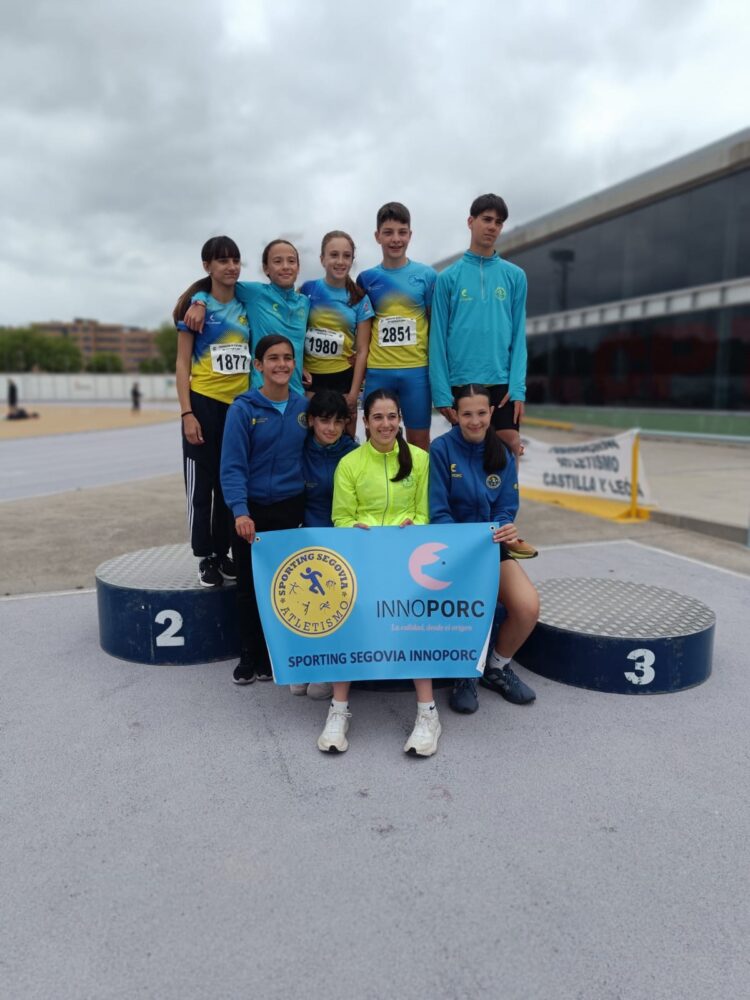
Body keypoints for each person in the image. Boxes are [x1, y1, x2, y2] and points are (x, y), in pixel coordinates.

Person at [318, 388, 440, 757]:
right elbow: (341, 518)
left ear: (400, 419)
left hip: (407, 561)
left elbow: (425, 513)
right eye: (377, 417)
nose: (386, 424)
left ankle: (428, 714)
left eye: (391, 416)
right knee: (347, 616)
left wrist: (414, 526)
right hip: (363, 560)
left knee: (415, 618)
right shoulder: (350, 464)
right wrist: (354, 530)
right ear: (365, 422)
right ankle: (338, 710)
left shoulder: (420, 459)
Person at [428, 193, 537, 559]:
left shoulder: (515, 276)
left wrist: (518, 387)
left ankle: (505, 529)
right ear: (470, 221)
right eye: (486, 219)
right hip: (461, 382)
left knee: (508, 445)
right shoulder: (448, 279)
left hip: (500, 380)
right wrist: (442, 393)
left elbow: (519, 335)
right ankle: (460, 526)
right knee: (462, 452)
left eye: (498, 222)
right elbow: (437, 338)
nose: (492, 227)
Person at [429, 384, 539, 714]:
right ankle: (465, 671)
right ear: (454, 415)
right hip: (453, 550)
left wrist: (506, 526)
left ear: (491, 412)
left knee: (527, 607)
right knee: (473, 604)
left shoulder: (501, 452)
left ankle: (496, 667)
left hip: (491, 547)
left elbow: (506, 506)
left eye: (481, 413)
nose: (475, 421)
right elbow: (438, 510)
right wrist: (462, 546)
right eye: (467, 414)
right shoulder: (441, 450)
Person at [220, 334, 309, 684]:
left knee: (285, 587)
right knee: (249, 586)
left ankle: (275, 655)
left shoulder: (303, 408)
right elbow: (232, 466)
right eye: (273, 358)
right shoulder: (242, 409)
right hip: (251, 513)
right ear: (258, 365)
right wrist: (240, 511)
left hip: (290, 510)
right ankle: (249, 653)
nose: (281, 364)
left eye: (287, 357)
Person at [173, 236, 250, 587]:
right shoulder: (195, 311)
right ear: (207, 266)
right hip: (204, 403)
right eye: (223, 261)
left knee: (228, 483)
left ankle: (222, 552)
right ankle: (204, 556)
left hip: (238, 408)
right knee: (201, 486)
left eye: (235, 260)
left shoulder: (246, 304)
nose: (231, 267)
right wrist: (187, 413)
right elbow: (182, 364)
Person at [289, 388, 358, 701]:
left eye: (338, 422)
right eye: (324, 421)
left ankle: (329, 668)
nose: (331, 428)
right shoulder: (298, 449)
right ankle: (305, 661)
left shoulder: (353, 452)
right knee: (305, 603)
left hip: (341, 539)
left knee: (335, 605)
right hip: (307, 535)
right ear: (311, 421)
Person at [356, 203, 437, 451]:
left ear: (410, 235)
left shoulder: (427, 276)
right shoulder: (366, 279)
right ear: (377, 236)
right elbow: (361, 328)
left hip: (417, 371)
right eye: (388, 232)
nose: (395, 239)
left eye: (402, 232)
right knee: (376, 441)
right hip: (379, 370)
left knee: (419, 442)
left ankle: (416, 479)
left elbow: (435, 327)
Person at [182, 239, 310, 394]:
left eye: (291, 261)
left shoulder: (305, 303)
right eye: (277, 261)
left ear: (298, 267)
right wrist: (199, 301)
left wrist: (303, 365)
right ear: (266, 268)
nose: (285, 266)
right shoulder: (255, 293)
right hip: (262, 394)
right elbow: (219, 283)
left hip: (296, 394)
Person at [300, 231, 374, 436]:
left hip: (343, 380)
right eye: (334, 255)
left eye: (346, 256)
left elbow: (362, 350)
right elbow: (295, 333)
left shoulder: (359, 298)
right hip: (311, 380)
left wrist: (353, 393)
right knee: (309, 441)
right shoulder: (307, 289)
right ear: (322, 259)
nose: (340, 261)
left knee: (345, 443)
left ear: (352, 260)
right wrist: (300, 366)